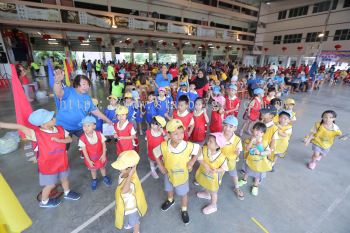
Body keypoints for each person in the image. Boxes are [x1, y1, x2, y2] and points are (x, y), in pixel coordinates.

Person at [0, 109, 80, 208]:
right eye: (51, 119)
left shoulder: (60, 129)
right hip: (47, 166)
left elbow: (70, 139)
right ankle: (44, 201)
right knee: (50, 185)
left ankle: (67, 192)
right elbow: (19, 126)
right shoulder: (36, 134)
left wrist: (61, 140)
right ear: (43, 124)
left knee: (65, 178)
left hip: (62, 161)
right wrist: (1, 124)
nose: (54, 119)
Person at [153, 119, 201, 224]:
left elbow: (199, 149)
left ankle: (184, 209)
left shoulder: (188, 145)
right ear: (168, 134)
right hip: (168, 174)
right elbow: (155, 152)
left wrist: (192, 161)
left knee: (183, 193)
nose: (179, 136)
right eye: (175, 134)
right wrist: (160, 166)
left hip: (182, 176)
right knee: (169, 188)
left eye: (181, 132)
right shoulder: (164, 146)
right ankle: (170, 200)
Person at [53, 70, 112, 142]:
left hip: (80, 127)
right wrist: (57, 82)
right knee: (63, 147)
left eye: (88, 85)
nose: (86, 87)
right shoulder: (68, 91)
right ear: (76, 84)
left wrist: (107, 120)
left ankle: (84, 152)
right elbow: (59, 93)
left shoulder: (87, 98)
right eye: (84, 84)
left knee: (88, 142)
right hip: (63, 127)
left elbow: (95, 111)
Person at [112, 150, 147, 233]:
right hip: (126, 204)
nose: (119, 168)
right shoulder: (125, 173)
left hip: (132, 208)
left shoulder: (131, 180)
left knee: (134, 221)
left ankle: (136, 230)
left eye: (121, 167)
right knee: (130, 218)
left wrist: (130, 174)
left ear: (130, 169)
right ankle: (131, 223)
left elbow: (124, 191)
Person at [195, 132, 228, 214]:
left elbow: (224, 168)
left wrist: (216, 170)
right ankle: (206, 194)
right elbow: (199, 158)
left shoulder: (222, 157)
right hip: (204, 173)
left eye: (210, 141)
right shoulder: (204, 149)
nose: (207, 142)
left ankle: (213, 205)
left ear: (217, 146)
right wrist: (205, 164)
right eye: (208, 140)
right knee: (205, 183)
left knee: (213, 192)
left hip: (214, 178)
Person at [239, 122, 272, 196]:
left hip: (259, 163)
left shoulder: (264, 142)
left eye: (261, 132)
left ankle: (255, 186)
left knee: (257, 175)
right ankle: (244, 180)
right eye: (256, 130)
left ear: (263, 134)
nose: (258, 133)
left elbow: (268, 152)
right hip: (250, 160)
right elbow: (247, 149)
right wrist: (251, 141)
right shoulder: (248, 140)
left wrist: (260, 153)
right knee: (247, 171)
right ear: (252, 129)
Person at [78, 116, 111, 190]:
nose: (86, 128)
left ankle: (104, 177)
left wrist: (103, 155)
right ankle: (94, 179)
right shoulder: (82, 138)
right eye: (84, 126)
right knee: (93, 170)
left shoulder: (99, 134)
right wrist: (89, 161)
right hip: (90, 159)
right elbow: (84, 151)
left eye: (88, 125)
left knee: (102, 167)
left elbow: (103, 144)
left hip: (100, 156)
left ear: (94, 126)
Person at [221, 116, 243, 200]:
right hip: (219, 161)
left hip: (230, 161)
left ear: (235, 128)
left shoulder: (237, 140)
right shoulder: (219, 135)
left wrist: (237, 153)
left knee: (234, 174)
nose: (227, 128)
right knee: (218, 175)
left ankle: (236, 187)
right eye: (225, 125)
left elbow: (239, 151)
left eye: (231, 126)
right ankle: (213, 188)